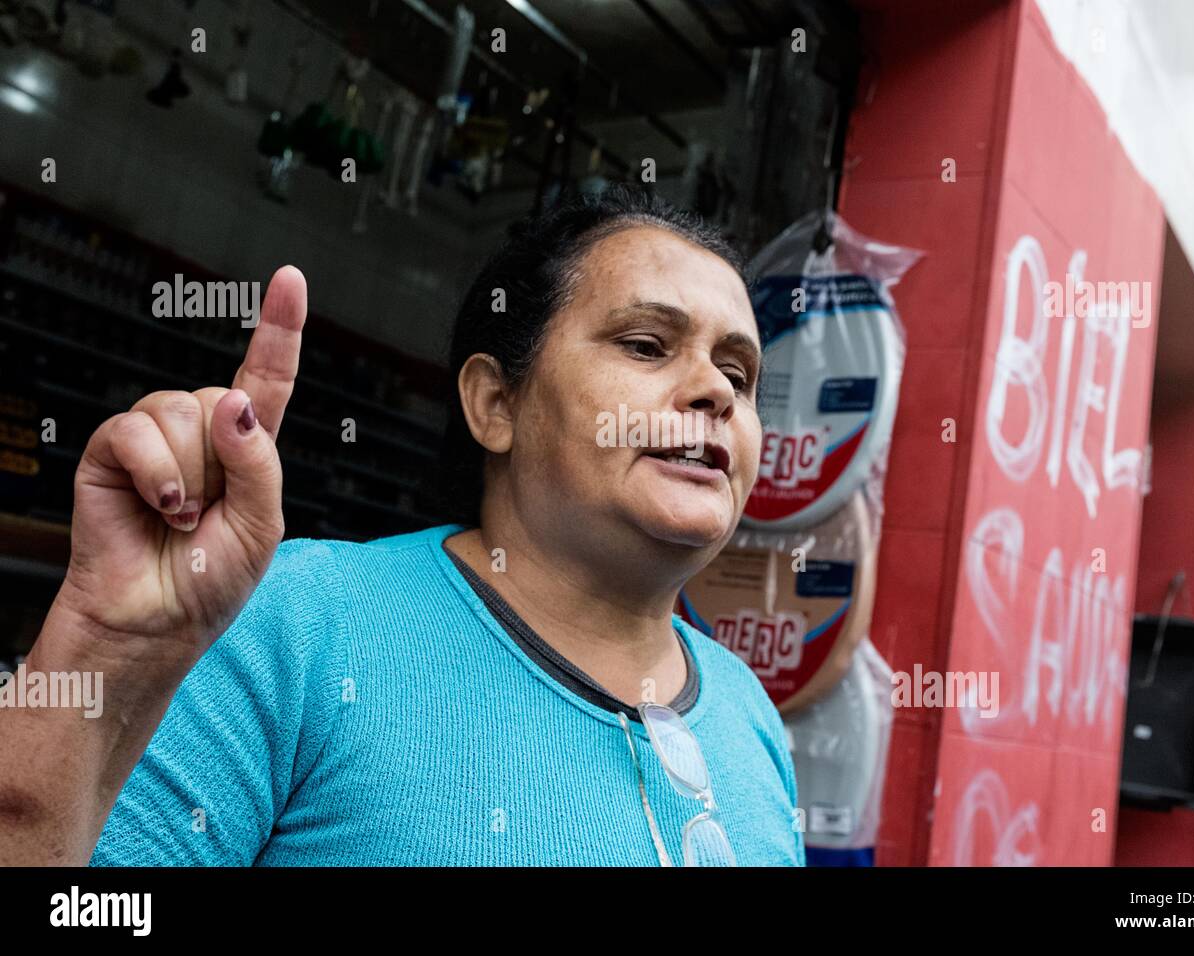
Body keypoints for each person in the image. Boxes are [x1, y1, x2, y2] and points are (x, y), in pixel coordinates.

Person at [0, 185, 804, 866]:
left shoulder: (749, 716)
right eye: (646, 344)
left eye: (738, 372)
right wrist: (107, 653)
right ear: (496, 403)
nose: (715, 391)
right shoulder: (295, 623)